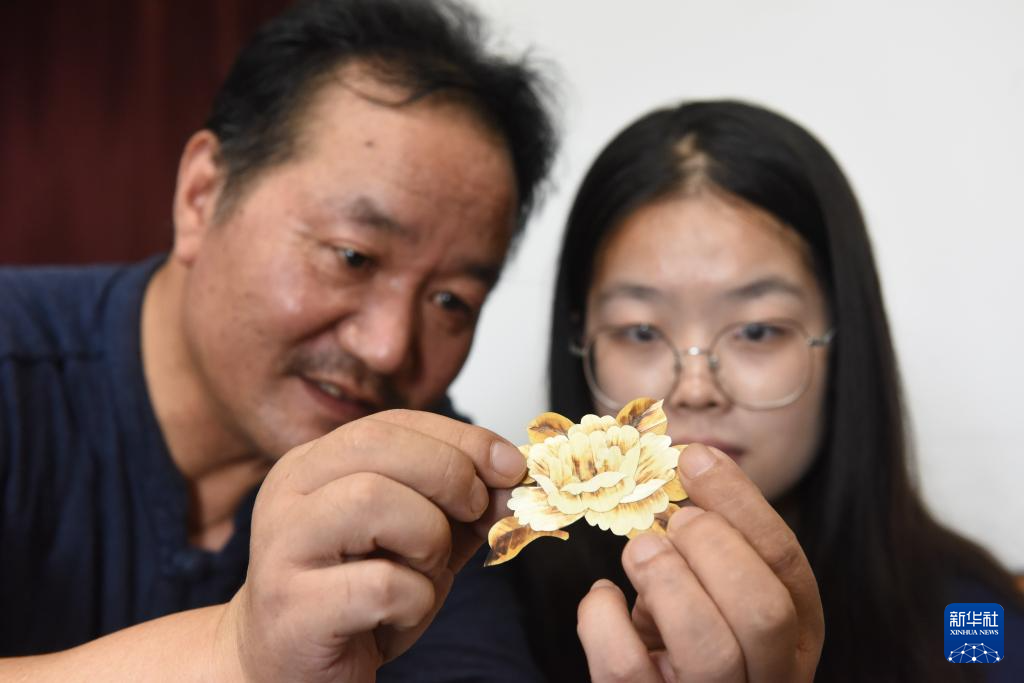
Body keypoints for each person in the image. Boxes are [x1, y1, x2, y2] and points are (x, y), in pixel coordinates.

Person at [0, 0, 560, 679]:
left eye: (451, 301)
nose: (387, 347)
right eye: (353, 256)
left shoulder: (431, 481)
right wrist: (236, 652)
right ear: (202, 195)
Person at [513, 100, 1024, 682]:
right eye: (641, 332)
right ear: (580, 341)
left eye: (757, 331)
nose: (697, 390)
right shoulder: (490, 598)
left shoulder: (970, 615)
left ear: (843, 343)